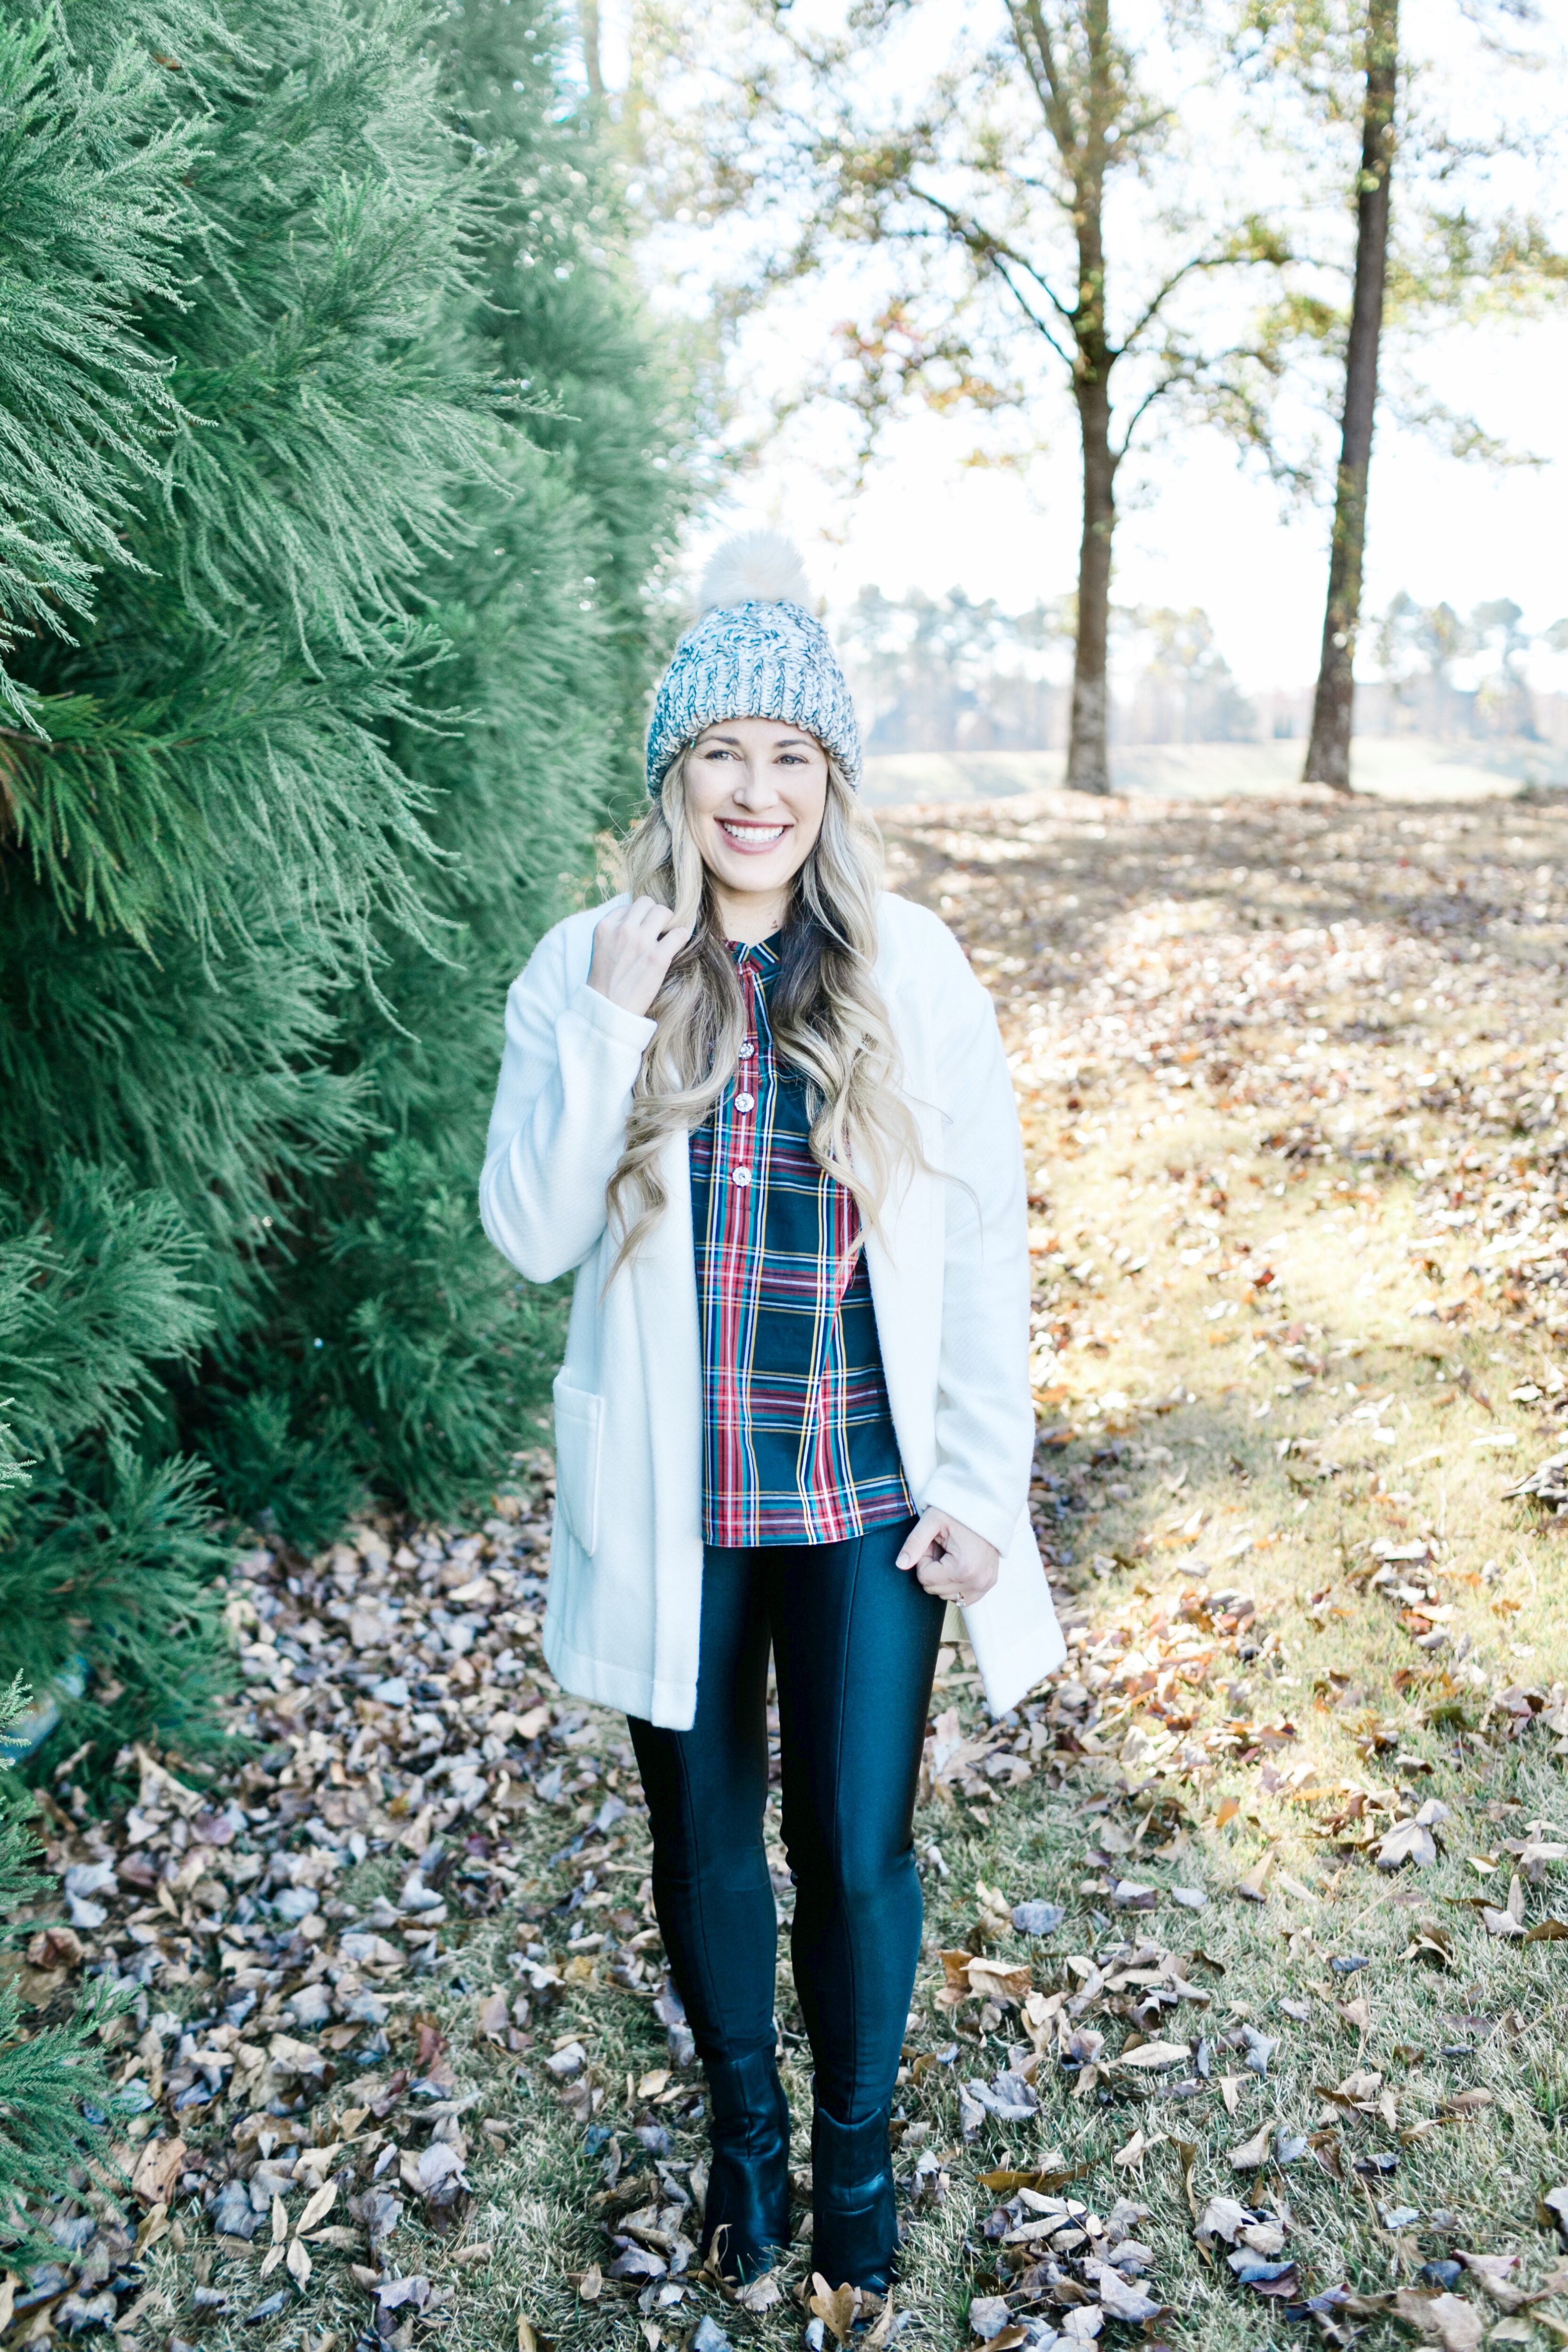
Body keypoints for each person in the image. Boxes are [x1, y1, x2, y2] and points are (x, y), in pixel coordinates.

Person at [479, 532, 1064, 2293]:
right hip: (682, 1492)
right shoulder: (590, 961)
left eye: (792, 755)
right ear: (676, 771)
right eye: (723, 752)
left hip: (870, 1498)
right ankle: (745, 2148)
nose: (758, 791)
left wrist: (983, 1479)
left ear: (833, 779)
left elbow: (980, 1249)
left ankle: (858, 2167)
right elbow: (528, 1236)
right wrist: (601, 1027)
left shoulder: (913, 971)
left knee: (856, 1843)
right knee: (704, 1834)